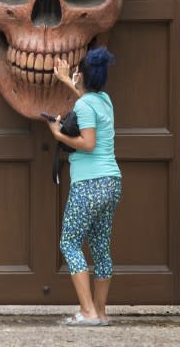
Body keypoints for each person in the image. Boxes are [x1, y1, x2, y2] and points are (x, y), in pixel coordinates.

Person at [46, 47, 122, 326]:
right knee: (101, 247)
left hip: (89, 183)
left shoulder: (84, 105)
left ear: (82, 75)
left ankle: (87, 311)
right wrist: (69, 82)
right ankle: (100, 313)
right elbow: (87, 104)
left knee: (70, 242)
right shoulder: (104, 100)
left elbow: (88, 144)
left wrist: (57, 133)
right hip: (111, 182)